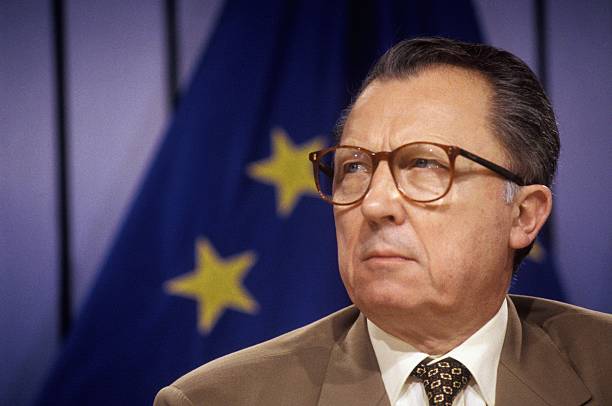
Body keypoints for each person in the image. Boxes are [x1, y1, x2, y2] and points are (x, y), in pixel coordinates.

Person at [155, 37, 612, 406]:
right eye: (353, 167)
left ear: (524, 215)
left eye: (424, 164)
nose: (374, 205)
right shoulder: (216, 400)